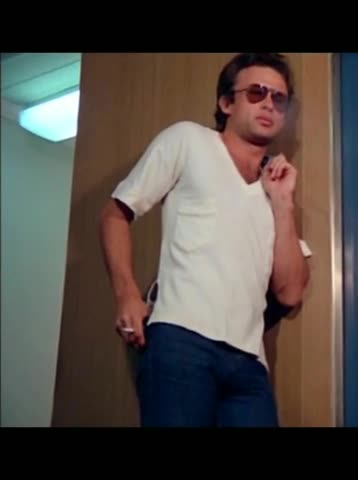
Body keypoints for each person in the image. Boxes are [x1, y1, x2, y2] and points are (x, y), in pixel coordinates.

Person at [99, 53, 311, 427]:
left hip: (249, 362)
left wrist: (282, 204)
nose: (268, 104)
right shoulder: (188, 140)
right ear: (227, 102)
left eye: (279, 98)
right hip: (181, 342)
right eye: (256, 92)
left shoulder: (277, 184)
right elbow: (115, 214)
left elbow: (291, 292)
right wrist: (127, 294)